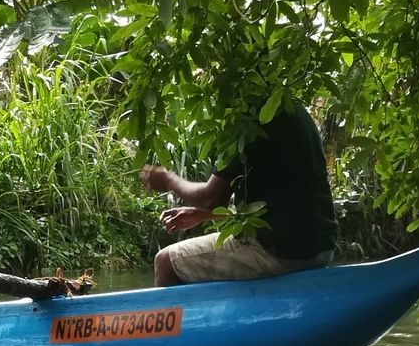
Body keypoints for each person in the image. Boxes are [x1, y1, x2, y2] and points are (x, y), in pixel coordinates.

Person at [140, 100, 339, 286]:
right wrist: (205, 214)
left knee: (165, 262)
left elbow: (210, 198)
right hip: (321, 248)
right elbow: (278, 199)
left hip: (280, 253)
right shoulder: (290, 106)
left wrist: (169, 180)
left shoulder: (247, 119)